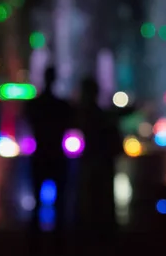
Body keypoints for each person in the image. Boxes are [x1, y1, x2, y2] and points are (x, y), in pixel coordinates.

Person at [25, 67, 72, 243]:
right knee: (60, 203)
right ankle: (59, 243)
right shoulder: (62, 106)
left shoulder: (35, 105)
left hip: (40, 155)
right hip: (57, 156)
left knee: (37, 201)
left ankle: (35, 242)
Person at [74, 77, 122, 239]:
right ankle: (105, 234)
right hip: (102, 163)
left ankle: (91, 234)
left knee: (91, 198)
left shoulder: (85, 114)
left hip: (92, 162)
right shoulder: (102, 115)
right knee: (104, 199)